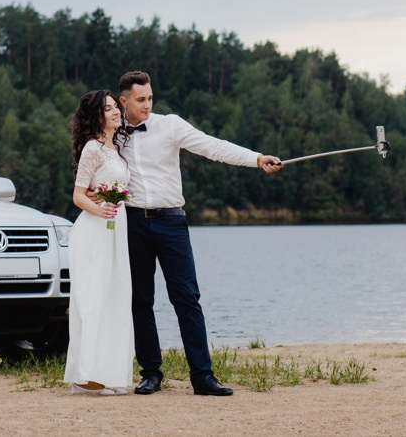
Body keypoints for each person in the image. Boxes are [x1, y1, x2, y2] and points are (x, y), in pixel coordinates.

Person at [115, 71, 282, 396]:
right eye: (140, 100)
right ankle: (150, 373)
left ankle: (202, 376)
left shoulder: (171, 125)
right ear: (123, 101)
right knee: (140, 300)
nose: (148, 105)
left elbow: (212, 147)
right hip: (132, 223)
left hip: (172, 222)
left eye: (150, 98)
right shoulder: (114, 132)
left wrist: (257, 158)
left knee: (187, 298)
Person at [63, 89, 134, 396]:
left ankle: (109, 373)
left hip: (115, 229)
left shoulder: (115, 149)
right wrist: (101, 207)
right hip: (94, 229)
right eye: (109, 108)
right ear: (97, 116)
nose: (116, 111)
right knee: (93, 299)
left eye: (115, 106)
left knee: (115, 296)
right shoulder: (93, 149)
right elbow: (78, 195)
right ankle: (87, 376)